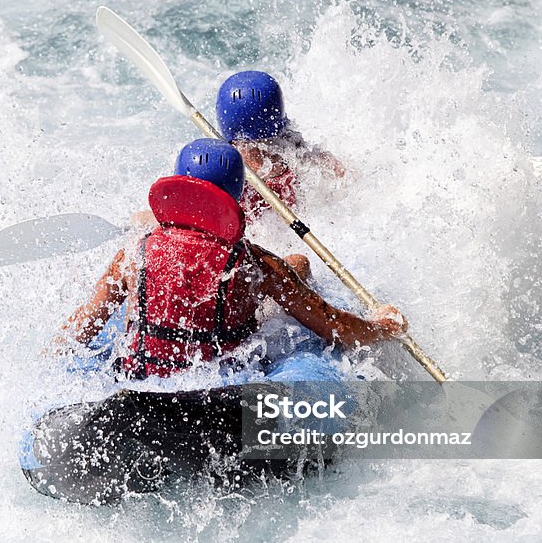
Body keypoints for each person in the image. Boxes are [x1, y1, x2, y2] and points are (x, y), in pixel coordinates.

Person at [59, 139, 406, 380]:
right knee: (295, 269)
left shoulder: (133, 254)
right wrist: (384, 326)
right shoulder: (256, 265)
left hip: (141, 379)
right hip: (218, 398)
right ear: (237, 196)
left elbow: (76, 334)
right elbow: (340, 331)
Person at [215, 69, 344, 281]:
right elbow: (343, 176)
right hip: (291, 255)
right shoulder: (300, 152)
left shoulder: (221, 166)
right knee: (298, 264)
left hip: (247, 261)